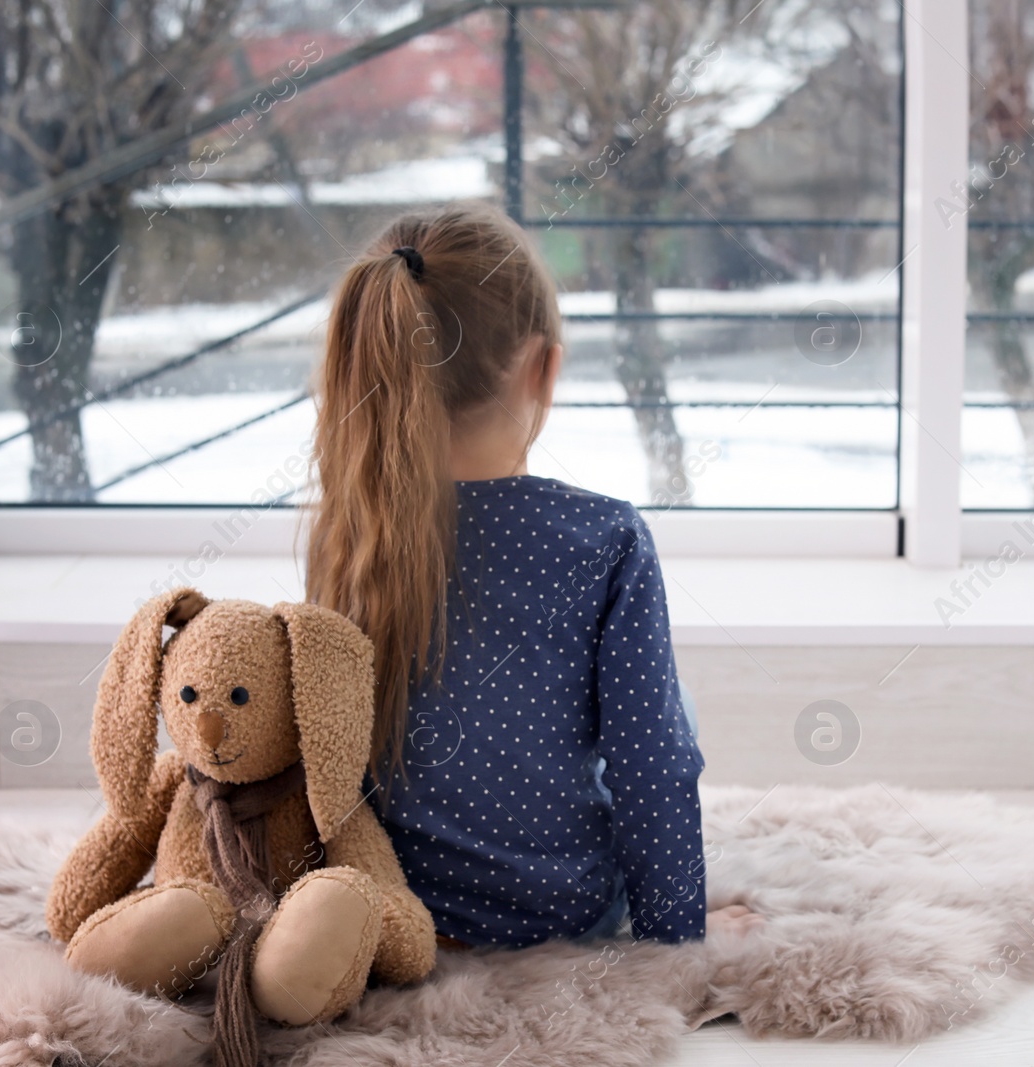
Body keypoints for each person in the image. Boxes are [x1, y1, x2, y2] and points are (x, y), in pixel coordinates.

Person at [304, 204, 760, 947]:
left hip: (392, 906)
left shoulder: (348, 529)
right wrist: (677, 935)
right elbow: (654, 767)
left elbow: (330, 750)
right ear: (543, 368)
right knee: (669, 708)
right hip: (559, 912)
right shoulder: (607, 538)